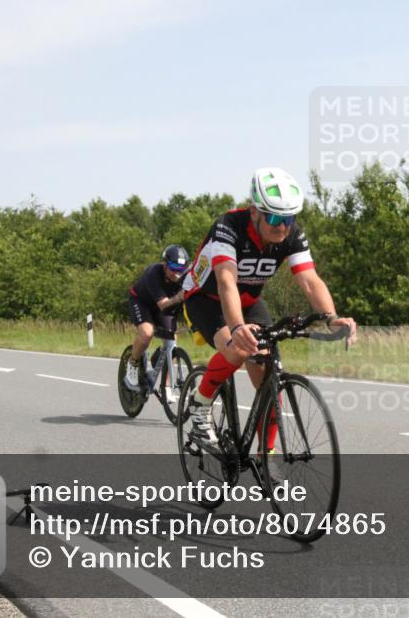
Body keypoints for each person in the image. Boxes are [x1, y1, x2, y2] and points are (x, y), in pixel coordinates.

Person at [182, 167, 357, 448]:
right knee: (239, 349)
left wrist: (331, 318)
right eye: (274, 218)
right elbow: (226, 281)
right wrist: (237, 328)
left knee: (269, 378)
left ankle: (267, 458)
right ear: (254, 212)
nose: (282, 227)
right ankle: (200, 404)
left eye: (289, 219)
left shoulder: (291, 235)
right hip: (207, 299)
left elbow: (310, 281)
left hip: (249, 302)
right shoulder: (228, 226)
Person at [124, 245, 190, 391]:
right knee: (147, 334)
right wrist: (179, 297)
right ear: (165, 264)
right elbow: (163, 305)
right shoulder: (153, 273)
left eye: (181, 270)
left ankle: (166, 385)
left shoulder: (186, 276)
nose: (177, 274)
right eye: (173, 268)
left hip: (164, 305)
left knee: (172, 342)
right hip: (142, 302)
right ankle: (133, 364)